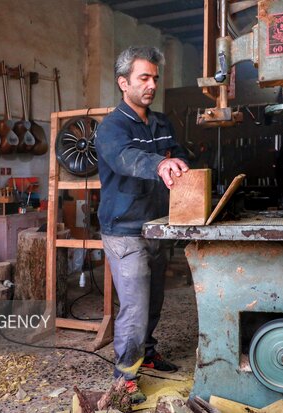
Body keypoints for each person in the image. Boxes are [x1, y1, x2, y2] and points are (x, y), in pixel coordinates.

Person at [95, 45, 189, 404]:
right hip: (124, 229)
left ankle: (147, 351)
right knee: (134, 306)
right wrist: (159, 165)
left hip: (156, 224)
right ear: (123, 83)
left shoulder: (161, 122)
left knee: (153, 301)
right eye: (143, 78)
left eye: (154, 78)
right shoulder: (111, 127)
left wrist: (177, 161)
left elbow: (178, 151)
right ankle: (125, 377)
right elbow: (125, 158)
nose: (151, 85)